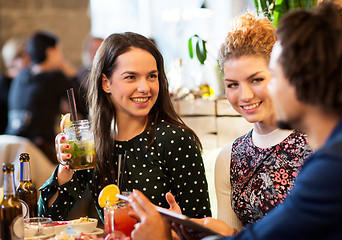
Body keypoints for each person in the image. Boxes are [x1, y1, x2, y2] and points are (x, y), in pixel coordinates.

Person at [127, 2, 342, 240]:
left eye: (275, 75)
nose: (247, 95)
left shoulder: (336, 164)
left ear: (307, 80)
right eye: (232, 84)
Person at [38, 32, 212, 222]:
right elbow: (48, 218)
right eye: (131, 77)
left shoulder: (175, 140)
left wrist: (176, 227)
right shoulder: (92, 144)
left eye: (152, 76)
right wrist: (66, 169)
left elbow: (203, 224)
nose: (145, 87)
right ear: (106, 83)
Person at [214, 13, 311, 230]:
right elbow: (231, 234)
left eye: (256, 80)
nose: (245, 96)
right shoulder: (229, 158)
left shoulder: (318, 141)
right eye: (232, 85)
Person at [6, 31, 78, 164]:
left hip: (11, 147)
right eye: (59, 51)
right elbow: (81, 102)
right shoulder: (55, 77)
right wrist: (73, 75)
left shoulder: (22, 75)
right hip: (38, 150)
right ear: (50, 52)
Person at [0, 36, 30, 134]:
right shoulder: (3, 83)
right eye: (25, 56)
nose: (30, 60)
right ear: (13, 59)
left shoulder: (26, 81)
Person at [77, 35, 104, 118]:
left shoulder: (112, 72)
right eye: (92, 50)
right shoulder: (83, 71)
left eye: (98, 50)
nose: (95, 53)